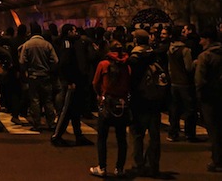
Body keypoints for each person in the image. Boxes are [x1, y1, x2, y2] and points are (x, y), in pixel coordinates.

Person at [90, 39, 131, 178]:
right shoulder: (126, 65)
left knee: (102, 137)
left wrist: (100, 94)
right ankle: (119, 168)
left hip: (107, 102)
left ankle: (102, 167)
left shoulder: (104, 64)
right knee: (121, 138)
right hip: (122, 103)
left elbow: (95, 83)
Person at [128, 29, 164, 177]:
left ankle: (138, 165)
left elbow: (131, 81)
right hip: (155, 100)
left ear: (136, 41)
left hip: (139, 101)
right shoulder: (155, 55)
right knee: (154, 135)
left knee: (137, 134)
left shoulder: (134, 59)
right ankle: (153, 165)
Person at [51, 24, 93, 147]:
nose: (76, 33)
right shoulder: (67, 44)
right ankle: (56, 135)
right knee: (67, 110)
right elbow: (65, 63)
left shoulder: (71, 43)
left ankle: (78, 135)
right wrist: (70, 81)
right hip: (71, 82)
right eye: (74, 31)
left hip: (75, 80)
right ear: (69, 32)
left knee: (75, 110)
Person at [194, 27, 222, 173]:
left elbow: (200, 80)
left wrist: (199, 97)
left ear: (208, 39)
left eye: (202, 39)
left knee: (214, 130)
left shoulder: (205, 56)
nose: (200, 42)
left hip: (209, 97)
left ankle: (217, 161)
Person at [19, 33, 58, 132]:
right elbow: (55, 60)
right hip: (45, 75)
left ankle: (37, 124)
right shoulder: (47, 45)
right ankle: (51, 123)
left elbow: (22, 61)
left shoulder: (27, 45)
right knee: (48, 100)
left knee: (35, 100)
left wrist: (25, 72)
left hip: (33, 76)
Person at [167, 25, 199, 142]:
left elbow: (170, 68)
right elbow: (189, 67)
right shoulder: (185, 50)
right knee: (190, 109)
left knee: (175, 108)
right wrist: (195, 62)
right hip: (185, 82)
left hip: (174, 82)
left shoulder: (170, 49)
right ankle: (189, 134)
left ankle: (173, 132)